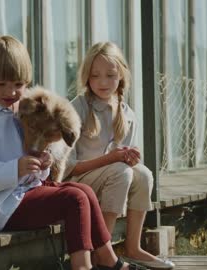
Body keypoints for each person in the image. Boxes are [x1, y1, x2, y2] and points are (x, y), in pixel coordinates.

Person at [0, 35, 143, 270]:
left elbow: (32, 160)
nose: (11, 92)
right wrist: (16, 168)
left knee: (83, 191)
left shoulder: (19, 114)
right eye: (1, 84)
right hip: (0, 207)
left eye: (18, 84)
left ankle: (108, 258)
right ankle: (82, 266)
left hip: (22, 194)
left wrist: (44, 163)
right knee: (75, 199)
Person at [65, 42, 175, 269]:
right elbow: (68, 168)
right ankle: (101, 251)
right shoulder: (77, 108)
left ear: (121, 75)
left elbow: (126, 163)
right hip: (78, 185)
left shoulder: (127, 113)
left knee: (143, 174)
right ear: (86, 77)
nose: (103, 82)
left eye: (110, 75)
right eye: (95, 76)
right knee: (120, 171)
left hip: (112, 182)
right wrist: (113, 159)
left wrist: (130, 157)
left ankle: (133, 247)